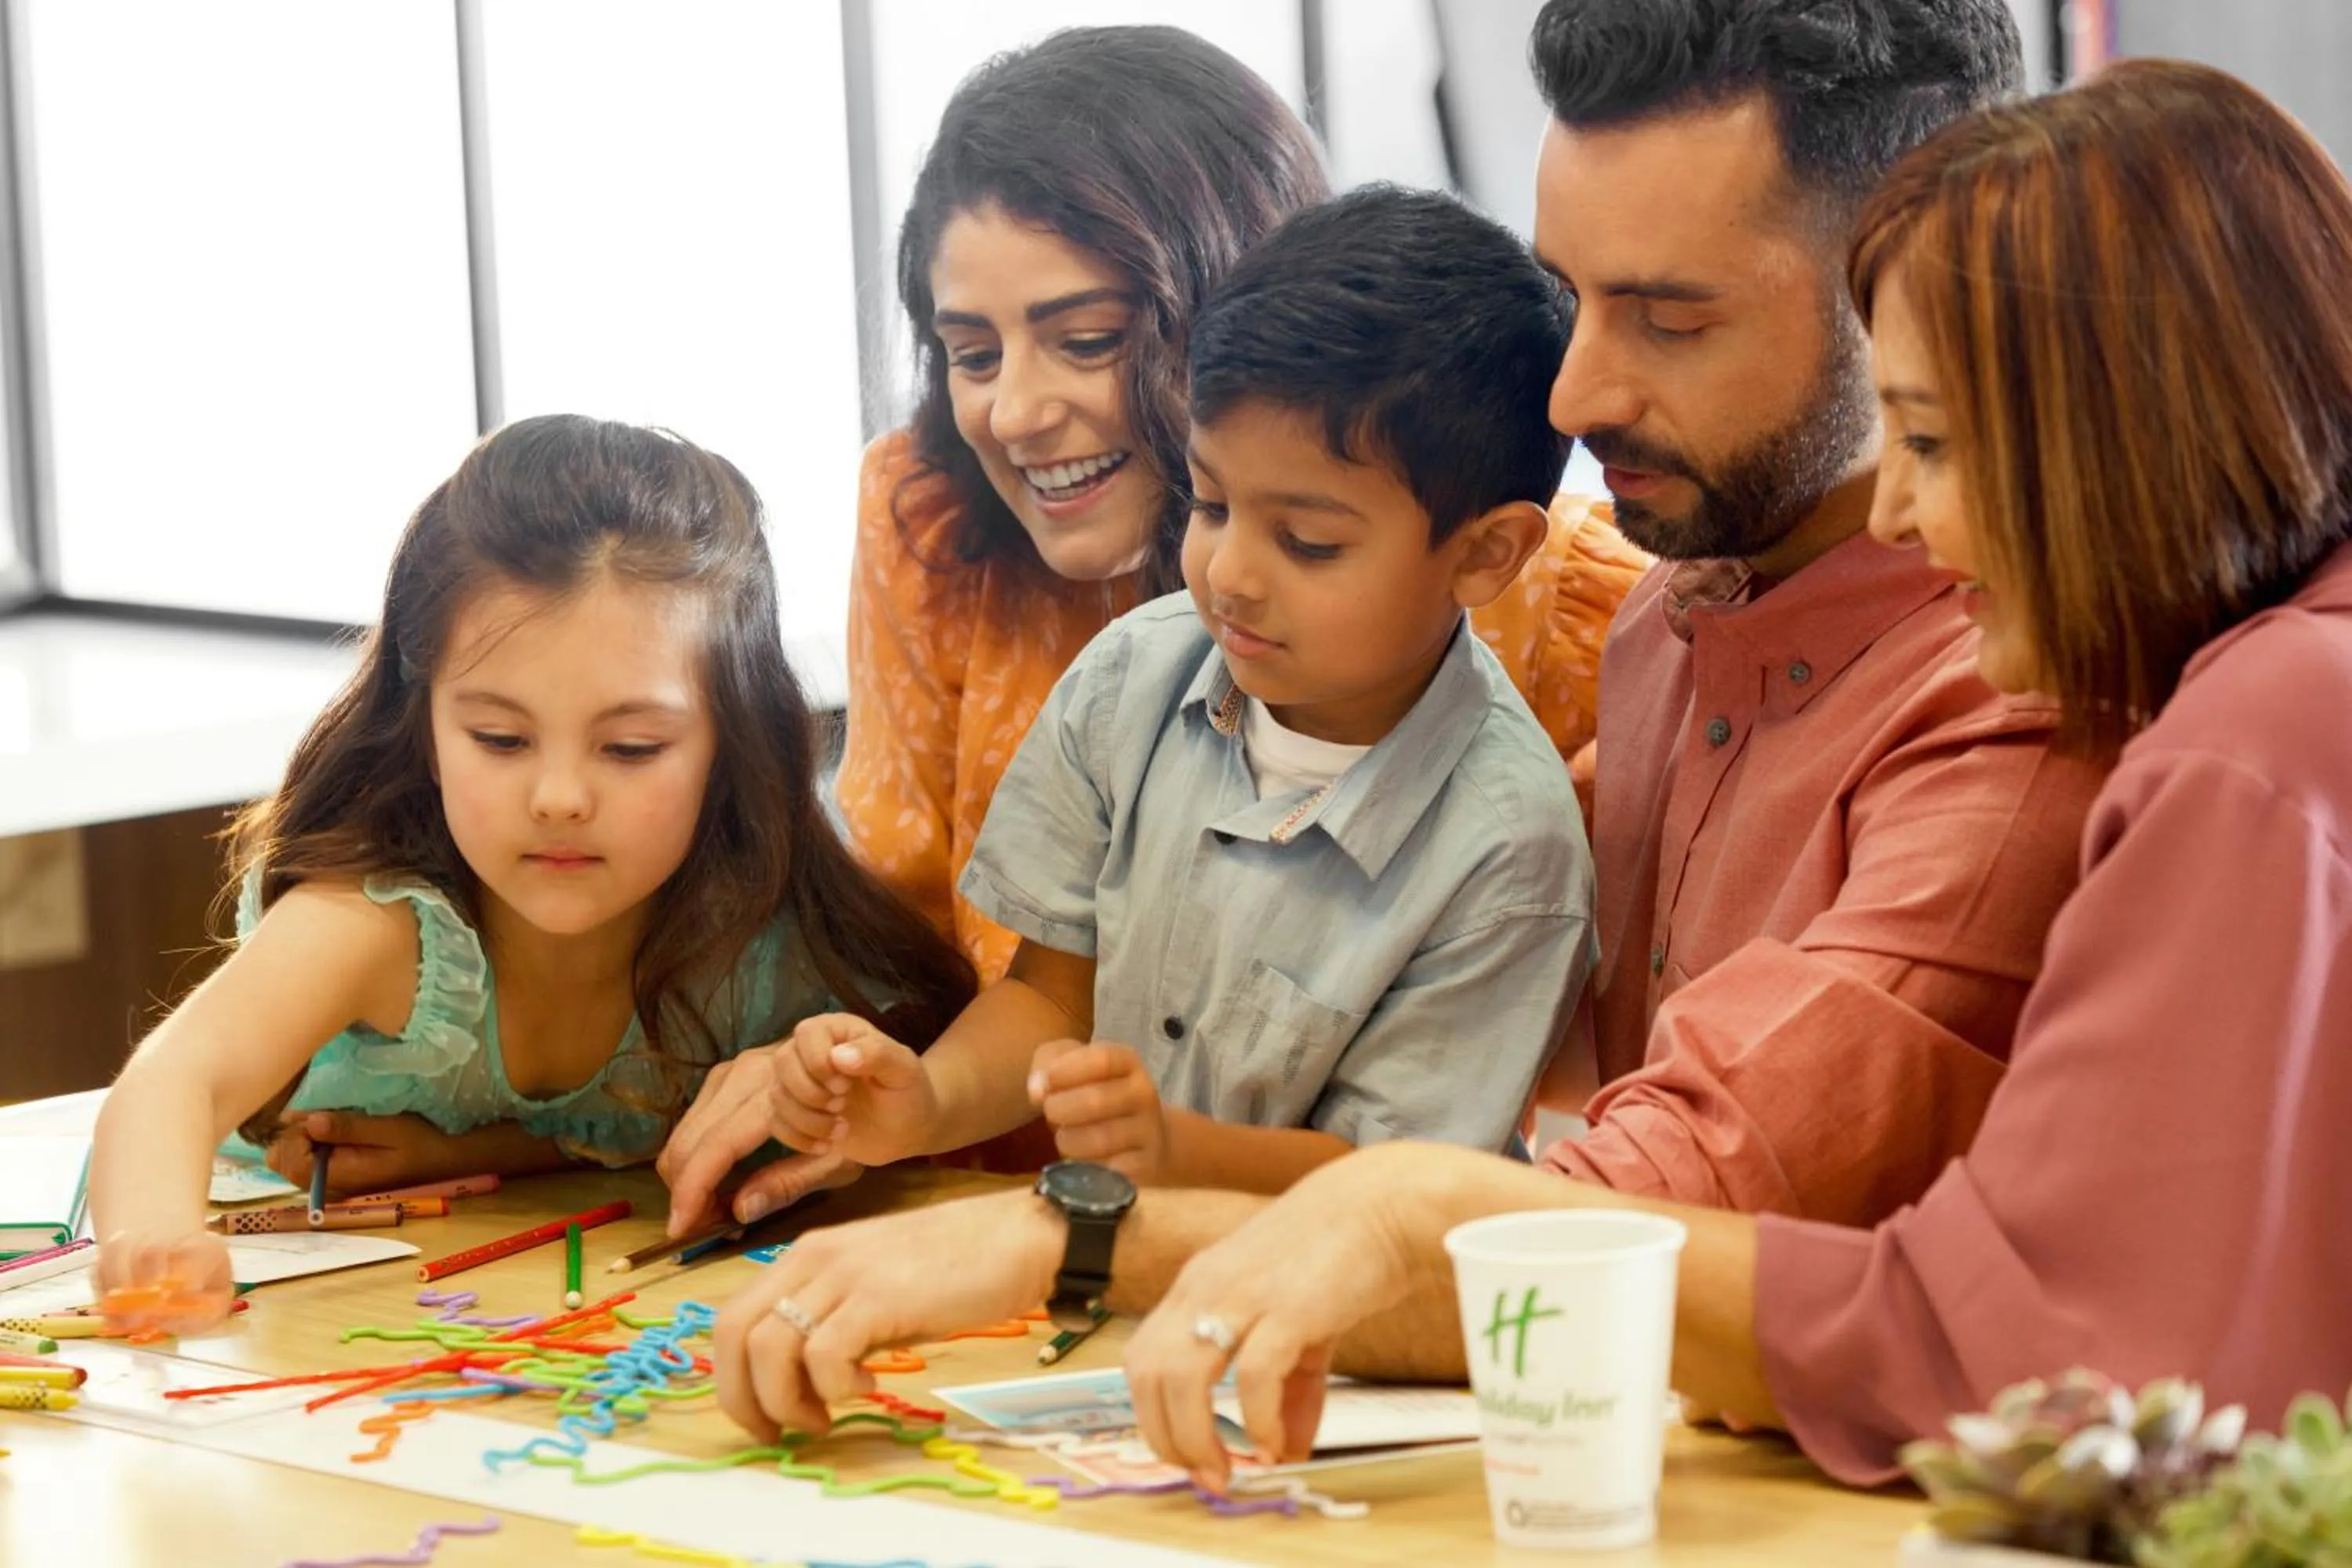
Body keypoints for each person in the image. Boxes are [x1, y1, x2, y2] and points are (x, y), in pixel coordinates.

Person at [713, 55, 2352, 1489]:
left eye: (1672, 313)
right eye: (1575, 301)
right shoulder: (1661, 621)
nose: (1566, 397)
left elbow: (1894, 1302)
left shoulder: (2182, 724)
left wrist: (1086, 1224)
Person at [665, 187, 1593, 1236]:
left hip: (1341, 1331)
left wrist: (1176, 1152)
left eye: (1310, 544)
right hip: (1099, 1290)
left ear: (1486, 553)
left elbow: (1403, 1192)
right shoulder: (1135, 678)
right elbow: (1052, 1000)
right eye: (1209, 504)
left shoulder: (1511, 849)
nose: (1230, 574)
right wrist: (919, 1104)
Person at [89, 416, 975, 1338]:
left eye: (631, 747)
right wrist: (154, 1241)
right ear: (423, 725)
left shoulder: (758, 943)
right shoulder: (379, 927)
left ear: (732, 743)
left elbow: (874, 1103)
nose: (558, 797)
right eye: (500, 739)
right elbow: (171, 1079)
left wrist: (820, 1099)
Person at [834, 24, 1645, 996]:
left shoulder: (1546, 590)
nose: (1013, 413)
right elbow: (898, 946)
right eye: (972, 353)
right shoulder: (927, 517)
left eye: (1087, 341)